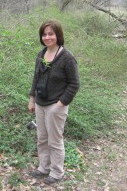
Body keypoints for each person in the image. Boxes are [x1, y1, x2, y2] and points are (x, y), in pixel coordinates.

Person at [28, 20, 80, 185]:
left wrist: (60, 104)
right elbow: (36, 79)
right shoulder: (41, 53)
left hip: (55, 106)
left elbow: (74, 84)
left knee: (54, 140)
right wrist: (32, 99)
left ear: (58, 35)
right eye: (44, 34)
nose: (47, 37)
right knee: (42, 138)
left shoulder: (67, 57)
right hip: (40, 103)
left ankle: (57, 173)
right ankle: (44, 168)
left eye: (51, 34)